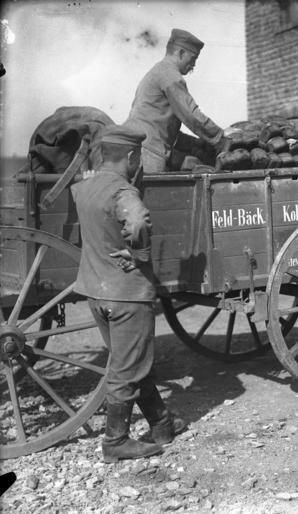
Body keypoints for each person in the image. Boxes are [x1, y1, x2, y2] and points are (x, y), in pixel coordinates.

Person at [71, 125, 185, 462]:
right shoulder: (124, 191)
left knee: (133, 361)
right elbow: (137, 222)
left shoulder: (85, 188)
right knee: (126, 369)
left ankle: (161, 424)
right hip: (126, 293)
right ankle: (115, 441)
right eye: (138, 158)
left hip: (95, 290)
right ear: (132, 156)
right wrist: (139, 254)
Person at [125, 28, 231, 173]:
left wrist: (196, 144)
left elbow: (160, 125)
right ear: (181, 53)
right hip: (148, 152)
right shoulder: (170, 76)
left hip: (139, 147)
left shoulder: (158, 71)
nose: (193, 65)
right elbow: (191, 115)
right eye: (193, 59)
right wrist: (221, 137)